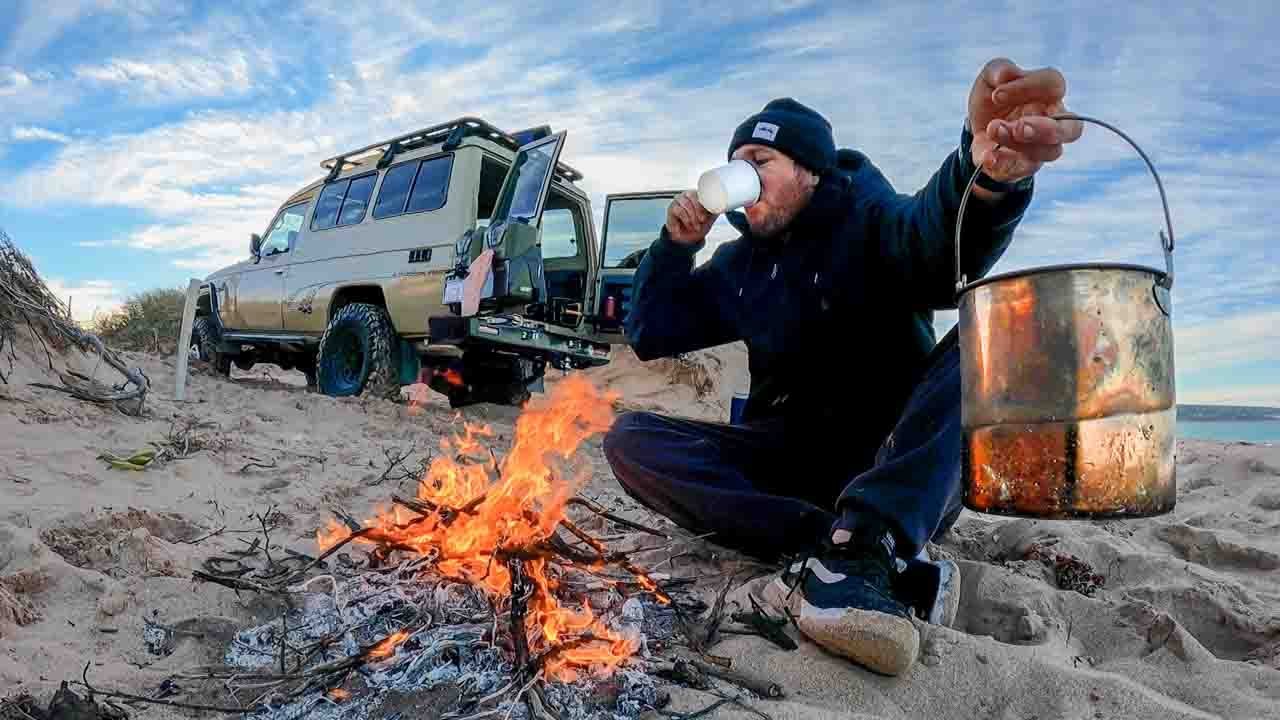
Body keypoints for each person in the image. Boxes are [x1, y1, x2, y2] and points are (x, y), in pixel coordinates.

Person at [602, 58, 1082, 676]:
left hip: (893, 462)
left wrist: (985, 179)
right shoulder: (739, 265)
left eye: (760, 162)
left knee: (1005, 319)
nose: (741, 174)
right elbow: (651, 331)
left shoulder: (866, 215)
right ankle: (840, 548)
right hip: (792, 460)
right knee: (631, 440)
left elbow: (936, 244)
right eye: (736, 160)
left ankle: (867, 545)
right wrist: (674, 250)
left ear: (808, 170)